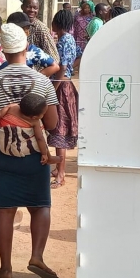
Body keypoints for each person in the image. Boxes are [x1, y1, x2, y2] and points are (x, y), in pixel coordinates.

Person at [0, 23, 60, 278]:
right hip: (35, 155)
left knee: (5, 209)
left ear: (2, 49)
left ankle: (6, 268)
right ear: (26, 46)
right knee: (40, 205)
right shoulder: (42, 81)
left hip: (1, 155)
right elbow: (53, 124)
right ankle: (36, 256)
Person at [0, 93, 60, 163]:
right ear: (34, 117)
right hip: (19, 148)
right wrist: (44, 154)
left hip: (0, 140)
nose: (43, 116)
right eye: (43, 114)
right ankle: (49, 157)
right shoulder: (34, 122)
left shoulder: (12, 107)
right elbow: (39, 138)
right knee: (43, 134)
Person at [48, 10, 80, 189]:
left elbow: (63, 67)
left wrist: (54, 89)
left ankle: (61, 174)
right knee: (58, 130)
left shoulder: (65, 40)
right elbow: (78, 55)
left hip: (61, 88)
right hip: (65, 84)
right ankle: (58, 170)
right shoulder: (67, 39)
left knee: (60, 130)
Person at [21, 0, 60, 67]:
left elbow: (55, 58)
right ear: (22, 7)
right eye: (29, 7)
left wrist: (40, 74)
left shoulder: (41, 29)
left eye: (35, 8)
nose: (32, 10)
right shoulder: (18, 26)